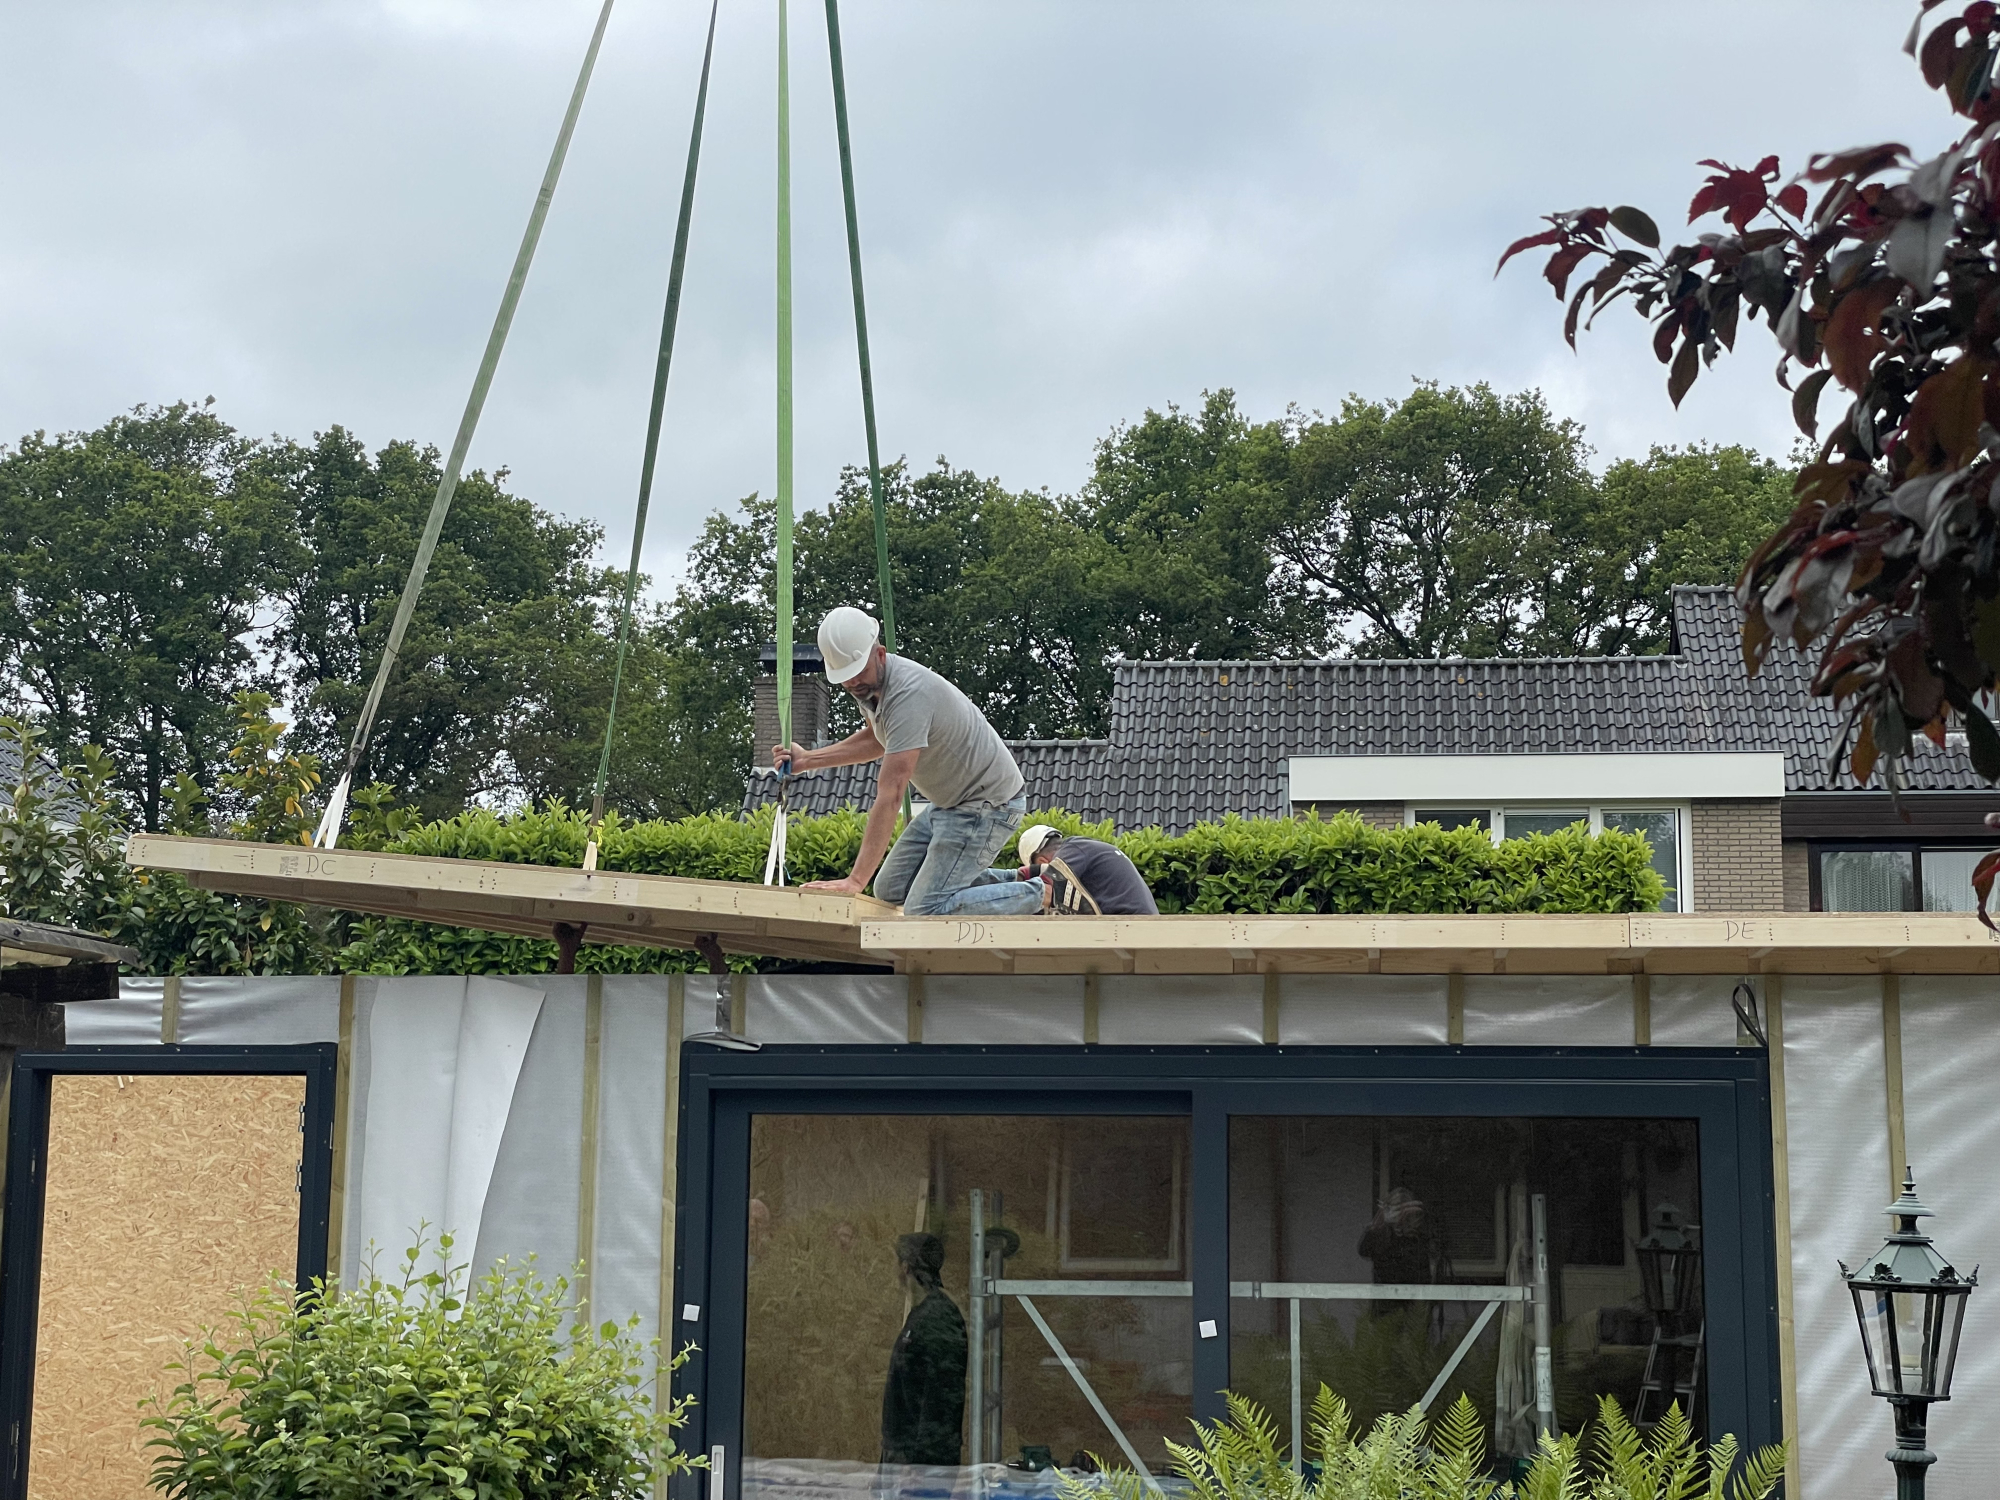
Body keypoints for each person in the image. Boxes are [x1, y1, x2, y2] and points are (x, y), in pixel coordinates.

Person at [774, 607, 1044, 916]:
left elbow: (890, 794)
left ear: (880, 654)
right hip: (950, 805)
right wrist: (808, 759)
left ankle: (1046, 892)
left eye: (859, 671)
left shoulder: (908, 694)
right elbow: (880, 737)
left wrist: (855, 880)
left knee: (924, 909)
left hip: (987, 805)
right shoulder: (871, 688)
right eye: (845, 677)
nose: (853, 683)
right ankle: (1021, 878)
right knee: (890, 889)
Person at [880, 1233, 968, 1467]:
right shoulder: (922, 1313)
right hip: (906, 1453)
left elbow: (943, 1396)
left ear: (906, 1267)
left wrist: (923, 1469)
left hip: (921, 1461)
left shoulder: (939, 1317)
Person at [1015, 824, 1159, 916]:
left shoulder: (1072, 848)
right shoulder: (1088, 850)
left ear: (1041, 861)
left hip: (1129, 924)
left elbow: (1045, 890)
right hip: (1138, 922)